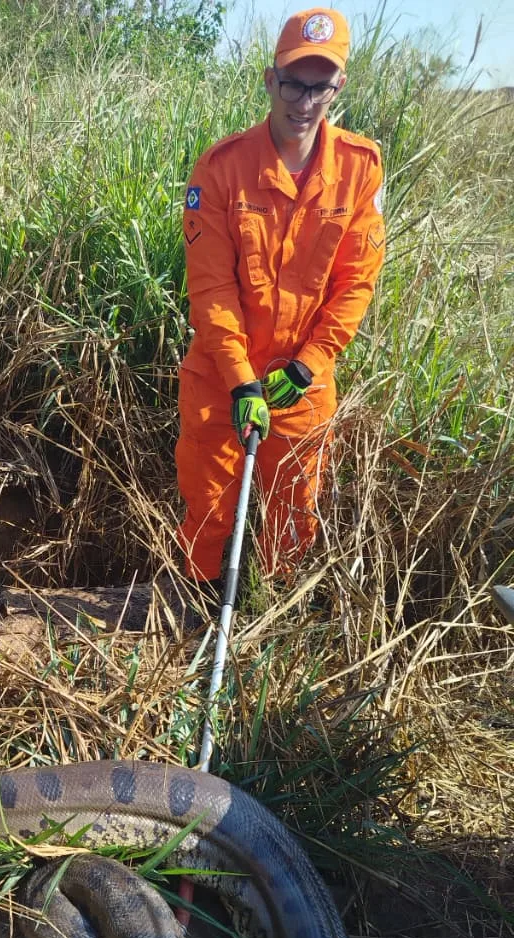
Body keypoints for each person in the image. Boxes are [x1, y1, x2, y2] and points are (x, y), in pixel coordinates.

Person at [176, 7, 385, 590]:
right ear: (271, 80)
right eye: (294, 83)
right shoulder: (221, 169)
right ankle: (193, 614)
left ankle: (271, 628)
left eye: (320, 86)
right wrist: (243, 381)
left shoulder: (360, 169)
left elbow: (355, 283)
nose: (304, 101)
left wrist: (308, 365)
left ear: (338, 86)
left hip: (302, 381)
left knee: (294, 519)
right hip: (222, 378)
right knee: (210, 514)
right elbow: (212, 290)